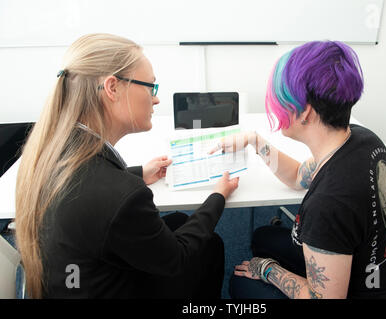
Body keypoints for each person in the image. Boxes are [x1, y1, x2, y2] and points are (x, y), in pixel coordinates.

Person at [15, 33, 239, 299]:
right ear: (113, 88)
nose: (155, 99)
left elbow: (87, 191)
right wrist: (217, 197)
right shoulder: (122, 194)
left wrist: (138, 173)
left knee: (180, 220)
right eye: (150, 87)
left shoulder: (55, 149)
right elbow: (176, 258)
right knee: (209, 245)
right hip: (114, 287)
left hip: (77, 279)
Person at [210, 41, 386, 299]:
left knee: (240, 284)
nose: (276, 106)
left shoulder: (327, 205)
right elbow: (299, 175)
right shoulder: (362, 138)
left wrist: (267, 270)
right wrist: (255, 141)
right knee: (263, 238)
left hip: (364, 293)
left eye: (281, 100)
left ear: (304, 112)